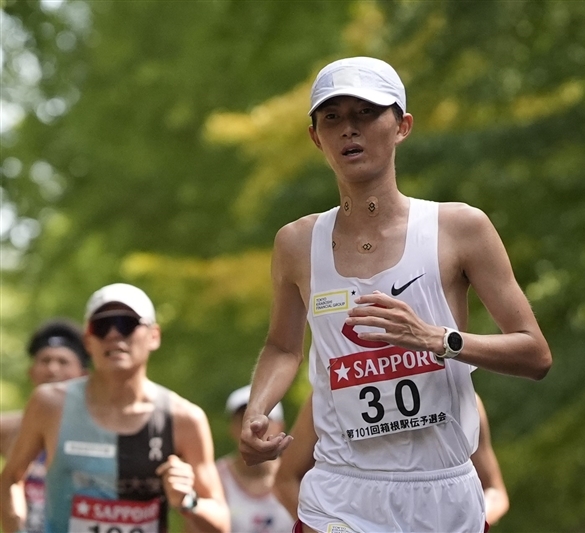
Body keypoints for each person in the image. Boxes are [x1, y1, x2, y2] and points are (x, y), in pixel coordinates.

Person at [239, 56, 552, 533]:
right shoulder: (297, 243)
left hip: (445, 494)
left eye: (366, 113)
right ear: (315, 137)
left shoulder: (460, 228)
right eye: (333, 117)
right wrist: (258, 410)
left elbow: (535, 354)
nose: (349, 129)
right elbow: (283, 347)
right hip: (341, 494)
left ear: (402, 126)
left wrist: (438, 338)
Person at [0, 282, 230, 533]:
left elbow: (221, 524)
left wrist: (188, 501)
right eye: (101, 326)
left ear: (154, 336)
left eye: (126, 323)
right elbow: (11, 478)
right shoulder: (50, 404)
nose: (113, 334)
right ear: (88, 341)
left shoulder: (183, 418)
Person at [273, 393, 510, 525]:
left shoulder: (462, 397)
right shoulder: (330, 396)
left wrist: (464, 518)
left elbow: (495, 491)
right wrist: (330, 528)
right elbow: (285, 479)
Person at [0, 318, 90, 533]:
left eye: (63, 361)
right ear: (30, 372)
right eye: (45, 360)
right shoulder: (9, 429)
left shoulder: (102, 430)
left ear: (84, 375)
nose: (52, 369)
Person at [215, 385, 295, 533]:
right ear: (232, 427)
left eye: (265, 419)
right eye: (244, 419)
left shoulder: (298, 477)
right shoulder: (215, 478)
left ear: (280, 426)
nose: (254, 428)